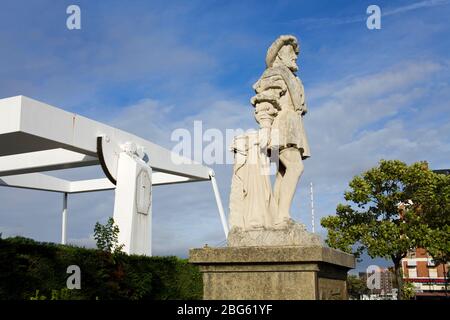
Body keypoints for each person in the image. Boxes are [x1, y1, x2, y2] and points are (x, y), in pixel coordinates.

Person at [251, 35, 310, 228]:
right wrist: (265, 129)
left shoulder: (293, 77)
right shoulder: (276, 73)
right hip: (282, 126)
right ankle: (281, 216)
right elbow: (266, 101)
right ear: (279, 56)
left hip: (292, 125)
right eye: (290, 53)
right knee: (295, 167)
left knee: (284, 171)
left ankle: (276, 216)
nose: (295, 57)